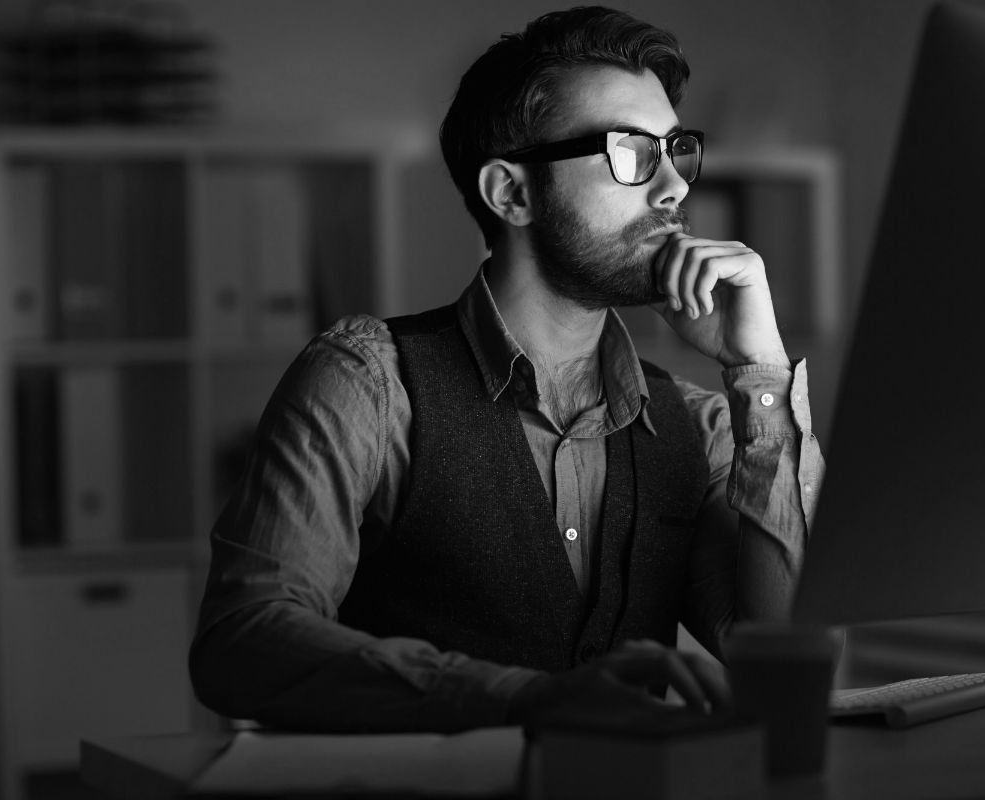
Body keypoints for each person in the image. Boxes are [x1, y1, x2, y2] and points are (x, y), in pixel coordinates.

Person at [189, 5, 824, 733]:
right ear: (511, 193)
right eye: (630, 152)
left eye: (674, 149)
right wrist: (523, 700)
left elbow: (789, 663)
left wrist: (760, 372)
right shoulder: (365, 383)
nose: (675, 187)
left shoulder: (700, 424)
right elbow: (241, 643)